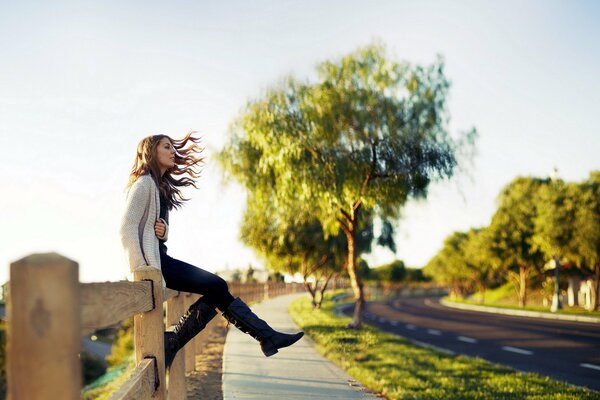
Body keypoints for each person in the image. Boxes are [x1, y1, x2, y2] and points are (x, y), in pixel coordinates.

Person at [119, 132, 303, 369]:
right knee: (217, 286)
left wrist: (163, 232)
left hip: (159, 259)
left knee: (217, 287)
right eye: (166, 147)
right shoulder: (144, 183)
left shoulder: (157, 187)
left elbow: (151, 231)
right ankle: (264, 337)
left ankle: (263, 337)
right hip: (154, 266)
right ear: (150, 151)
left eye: (173, 147)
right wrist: (141, 270)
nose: (173, 151)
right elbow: (126, 228)